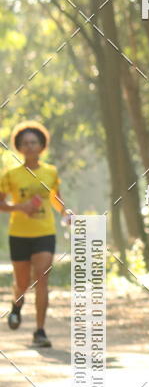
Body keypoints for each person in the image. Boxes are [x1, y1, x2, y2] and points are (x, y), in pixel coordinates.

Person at [0, 121, 72, 348]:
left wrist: (65, 211)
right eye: (25, 143)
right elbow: (1, 202)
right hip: (19, 233)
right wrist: (19, 208)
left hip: (44, 232)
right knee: (22, 282)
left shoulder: (50, 172)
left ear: (42, 146)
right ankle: (16, 304)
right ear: (19, 147)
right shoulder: (11, 175)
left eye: (34, 142)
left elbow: (55, 197)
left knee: (42, 277)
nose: (30, 147)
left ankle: (40, 331)